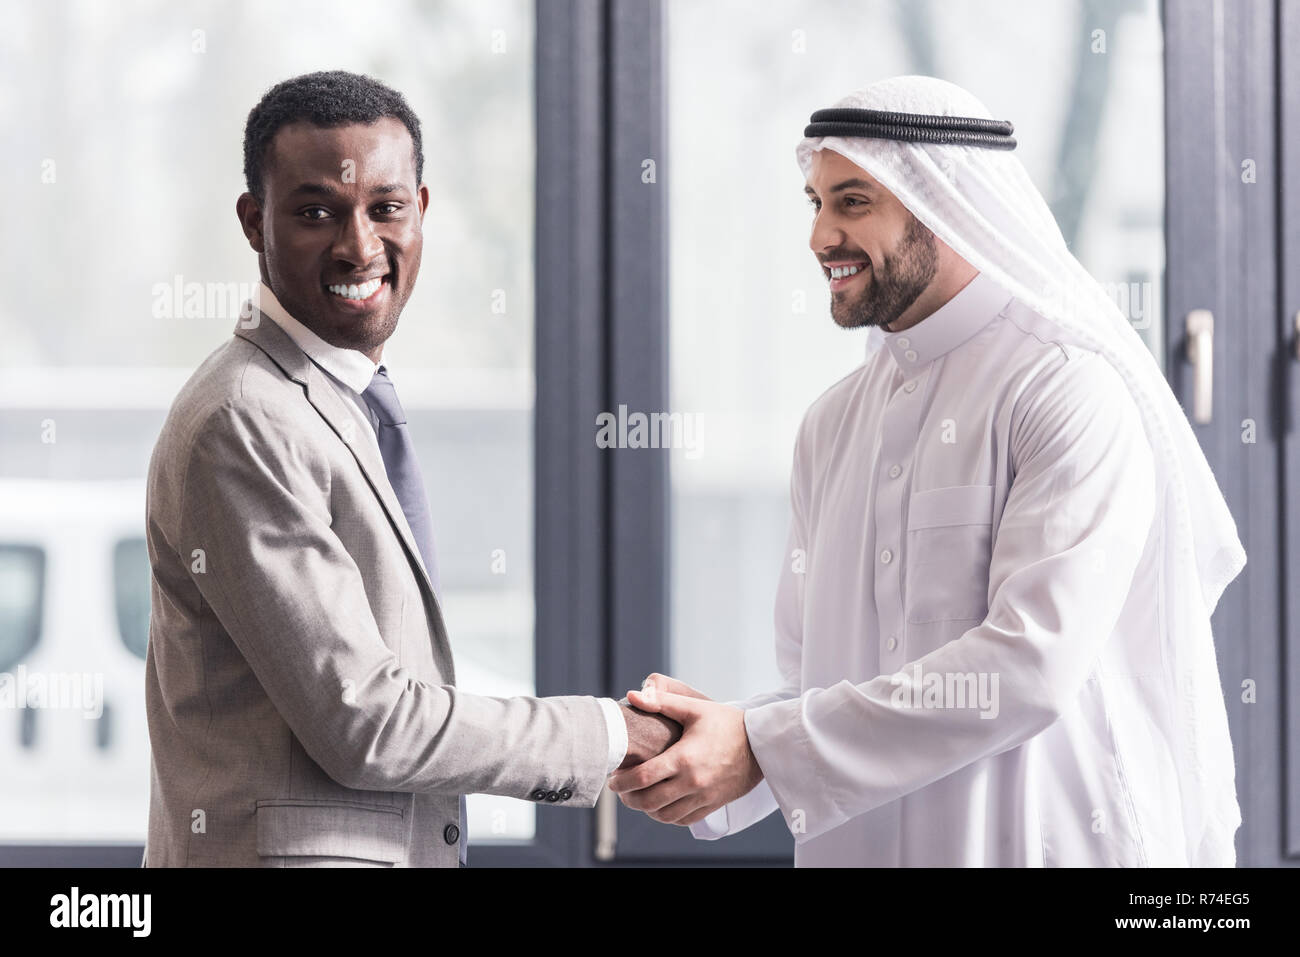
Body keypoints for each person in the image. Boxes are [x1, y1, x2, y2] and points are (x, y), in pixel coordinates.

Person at [607, 75, 1246, 867]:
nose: (820, 237)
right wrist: (718, 742)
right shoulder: (831, 425)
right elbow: (825, 687)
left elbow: (1028, 667)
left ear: (942, 202)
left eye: (853, 201)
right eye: (816, 203)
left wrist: (764, 742)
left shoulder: (1066, 388)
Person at [142, 70, 677, 868]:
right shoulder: (244, 418)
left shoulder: (342, 400)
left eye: (385, 208)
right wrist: (608, 733)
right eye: (316, 211)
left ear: (421, 212)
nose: (359, 245)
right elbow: (367, 720)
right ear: (255, 223)